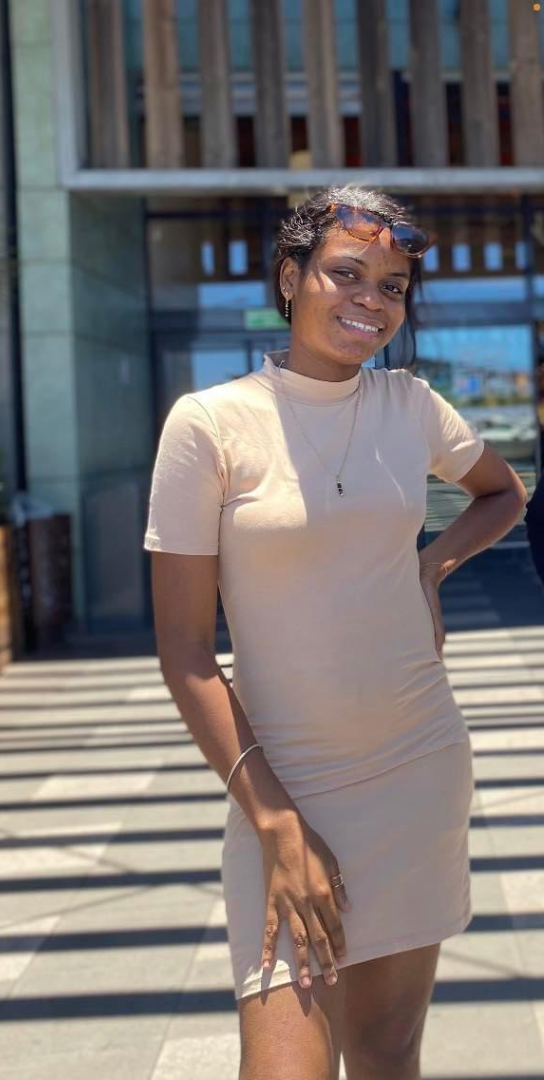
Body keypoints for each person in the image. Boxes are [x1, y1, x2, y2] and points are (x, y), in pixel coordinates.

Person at [143, 186, 526, 1080]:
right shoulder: (208, 424)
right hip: (284, 781)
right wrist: (276, 821)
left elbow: (503, 493)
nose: (371, 301)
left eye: (392, 286)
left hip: (416, 766)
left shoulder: (411, 406)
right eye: (346, 273)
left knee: (387, 1056)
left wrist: (431, 567)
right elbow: (186, 655)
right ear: (291, 276)